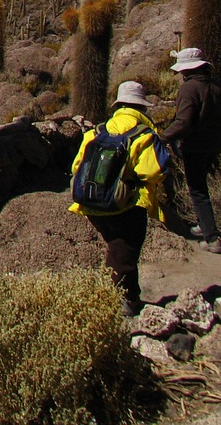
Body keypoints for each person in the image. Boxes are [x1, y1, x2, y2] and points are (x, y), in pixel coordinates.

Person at [69, 81, 171, 315]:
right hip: (125, 203)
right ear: (141, 108)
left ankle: (127, 298)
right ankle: (121, 302)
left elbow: (77, 164)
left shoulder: (98, 131)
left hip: (90, 201)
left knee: (116, 247)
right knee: (125, 250)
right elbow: (154, 170)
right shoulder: (144, 134)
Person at [159, 47, 221, 253]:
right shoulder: (216, 87)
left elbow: (184, 121)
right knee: (201, 185)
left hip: (195, 145)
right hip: (213, 144)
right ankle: (203, 225)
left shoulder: (189, 89)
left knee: (197, 190)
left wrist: (162, 137)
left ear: (186, 70)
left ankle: (212, 238)